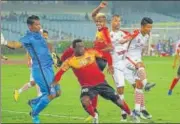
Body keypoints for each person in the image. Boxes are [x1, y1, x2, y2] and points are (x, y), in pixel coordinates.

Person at [51, 39, 140, 123]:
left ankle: (131, 114)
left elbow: (106, 55)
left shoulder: (91, 52)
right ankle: (95, 116)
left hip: (102, 83)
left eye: (82, 46)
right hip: (87, 86)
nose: (82, 48)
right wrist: (54, 82)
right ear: (74, 48)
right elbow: (60, 73)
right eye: (79, 47)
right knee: (84, 100)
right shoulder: (70, 61)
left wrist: (110, 65)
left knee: (118, 101)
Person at [1, 15, 60, 123]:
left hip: (49, 68)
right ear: (30, 26)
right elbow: (15, 44)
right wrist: (4, 42)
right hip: (41, 69)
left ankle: (34, 102)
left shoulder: (40, 34)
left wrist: (54, 57)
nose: (39, 26)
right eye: (36, 24)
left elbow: (46, 47)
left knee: (58, 92)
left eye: (39, 24)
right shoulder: (28, 38)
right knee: (51, 94)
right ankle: (34, 114)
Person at [119, 17, 155, 119]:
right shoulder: (136, 33)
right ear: (142, 26)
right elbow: (124, 40)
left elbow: (140, 49)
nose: (149, 29)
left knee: (138, 86)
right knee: (141, 66)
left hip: (136, 59)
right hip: (128, 60)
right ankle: (146, 83)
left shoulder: (148, 35)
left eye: (151, 27)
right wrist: (124, 40)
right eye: (148, 27)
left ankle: (138, 110)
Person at [13, 30, 52, 102]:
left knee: (33, 82)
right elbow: (29, 50)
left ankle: (18, 92)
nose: (46, 37)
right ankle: (39, 96)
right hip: (34, 63)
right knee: (39, 78)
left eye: (46, 35)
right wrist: (28, 60)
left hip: (39, 63)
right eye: (45, 35)